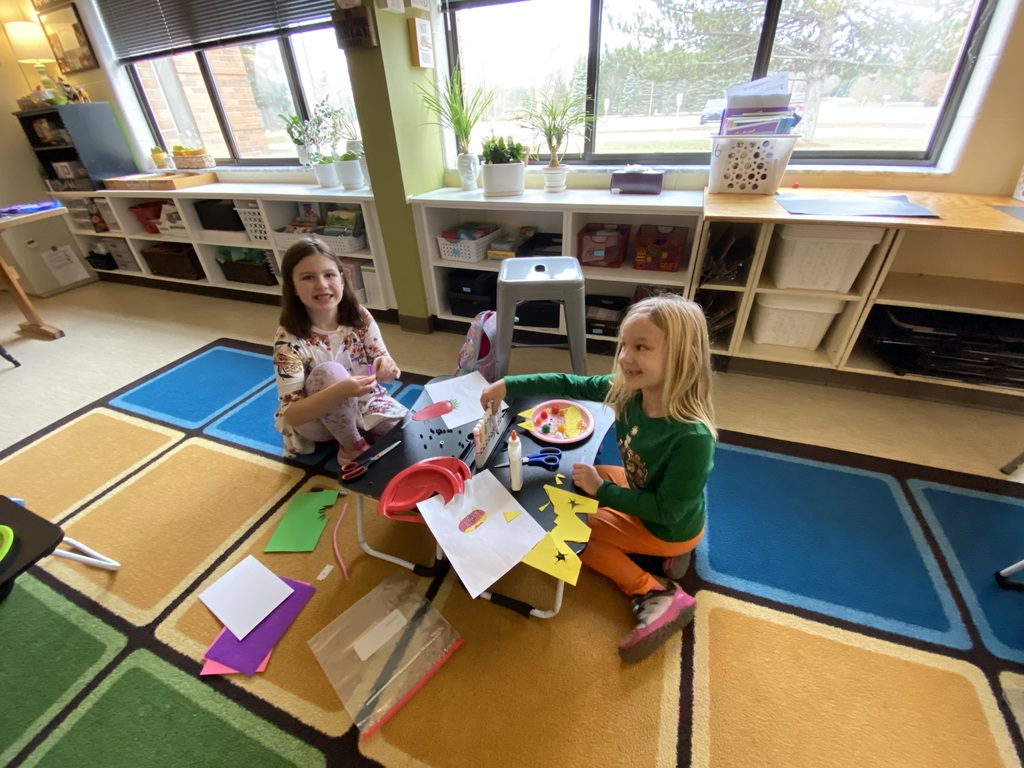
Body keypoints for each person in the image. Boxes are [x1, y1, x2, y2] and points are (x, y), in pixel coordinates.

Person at [480, 294, 716, 662]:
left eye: (640, 347)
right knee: (574, 481)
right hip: (647, 491)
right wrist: (509, 383)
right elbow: (569, 383)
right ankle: (667, 557)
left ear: (682, 358)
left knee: (572, 532)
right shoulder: (627, 390)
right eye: (624, 344)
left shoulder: (693, 438)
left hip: (667, 525)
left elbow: (666, 510)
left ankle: (652, 591)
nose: (624, 357)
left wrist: (602, 491)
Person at [273, 237, 406, 462]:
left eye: (329, 275)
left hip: (364, 404)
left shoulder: (359, 316)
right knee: (330, 372)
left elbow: (382, 360)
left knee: (408, 435)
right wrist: (340, 390)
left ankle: (362, 431)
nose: (322, 285)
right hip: (316, 421)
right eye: (308, 277)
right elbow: (293, 414)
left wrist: (386, 364)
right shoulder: (288, 341)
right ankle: (351, 447)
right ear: (293, 287)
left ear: (342, 280)